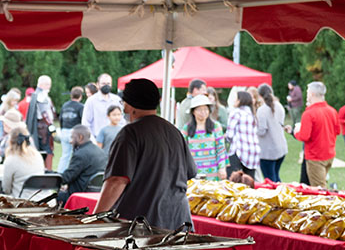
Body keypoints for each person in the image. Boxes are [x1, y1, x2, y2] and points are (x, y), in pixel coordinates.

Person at [93, 78, 196, 230]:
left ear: (129, 106)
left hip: (143, 225)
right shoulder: (174, 132)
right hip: (179, 221)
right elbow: (190, 171)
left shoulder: (130, 133)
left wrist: (96, 217)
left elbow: (117, 180)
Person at [292, 81, 340, 188]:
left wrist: (296, 132)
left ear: (312, 94)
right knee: (321, 184)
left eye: (308, 92)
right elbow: (337, 131)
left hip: (315, 157)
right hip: (329, 154)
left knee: (319, 190)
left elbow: (304, 136)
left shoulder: (309, 113)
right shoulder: (332, 111)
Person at [59, 124, 109, 204]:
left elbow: (66, 178)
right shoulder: (100, 151)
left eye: (72, 137)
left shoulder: (80, 154)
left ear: (80, 137)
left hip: (79, 194)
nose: (70, 141)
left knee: (54, 197)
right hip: (96, 194)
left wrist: (50, 175)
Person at [182, 94, 227, 180]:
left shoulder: (216, 126)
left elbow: (220, 148)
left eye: (205, 109)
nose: (203, 112)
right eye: (199, 109)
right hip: (193, 171)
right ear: (193, 112)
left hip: (213, 171)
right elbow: (182, 150)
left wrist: (222, 168)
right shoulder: (186, 128)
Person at [226, 90, 262, 178]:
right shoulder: (252, 114)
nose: (234, 101)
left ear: (240, 100)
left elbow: (229, 135)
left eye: (236, 99)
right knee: (249, 181)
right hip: (252, 152)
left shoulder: (236, 112)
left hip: (238, 150)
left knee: (233, 181)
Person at [0, 127, 45, 197]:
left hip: (23, 203)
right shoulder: (37, 155)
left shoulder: (11, 160)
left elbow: (6, 189)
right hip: (45, 199)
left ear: (10, 141)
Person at [256, 83, 287, 182]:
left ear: (260, 96)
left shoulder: (262, 111)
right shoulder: (279, 106)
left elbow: (261, 131)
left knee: (270, 180)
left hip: (268, 151)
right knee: (276, 177)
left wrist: (252, 129)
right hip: (281, 147)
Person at [25, 75, 55, 169]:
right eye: (47, 84)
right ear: (41, 84)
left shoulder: (36, 95)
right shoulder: (41, 95)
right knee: (47, 150)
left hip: (41, 127)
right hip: (44, 128)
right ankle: (48, 172)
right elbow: (44, 113)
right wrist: (51, 126)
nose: (49, 87)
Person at [57, 86, 85, 172]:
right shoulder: (81, 107)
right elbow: (83, 120)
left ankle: (60, 172)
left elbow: (60, 119)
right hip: (75, 133)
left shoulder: (65, 105)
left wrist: (62, 129)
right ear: (80, 96)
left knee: (65, 155)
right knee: (76, 155)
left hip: (64, 131)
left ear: (71, 95)